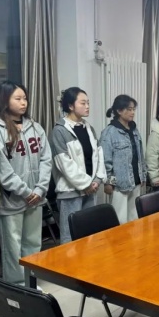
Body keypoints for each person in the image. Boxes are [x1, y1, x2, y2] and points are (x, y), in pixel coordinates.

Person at [0, 81, 52, 285]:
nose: (23, 102)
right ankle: (17, 286)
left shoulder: (35, 127)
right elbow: (2, 168)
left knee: (33, 242)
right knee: (13, 247)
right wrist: (25, 192)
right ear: (4, 100)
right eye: (18, 98)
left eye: (25, 98)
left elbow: (46, 159)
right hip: (12, 200)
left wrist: (40, 189)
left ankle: (31, 283)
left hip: (36, 197)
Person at [50, 87, 106, 244]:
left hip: (91, 189)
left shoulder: (89, 128)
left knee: (89, 233)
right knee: (70, 236)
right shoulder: (60, 131)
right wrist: (87, 183)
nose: (87, 106)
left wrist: (97, 179)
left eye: (88, 103)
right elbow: (64, 163)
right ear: (70, 106)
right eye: (83, 103)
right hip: (70, 191)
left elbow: (98, 155)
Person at [100, 94, 146, 224]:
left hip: (136, 180)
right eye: (129, 109)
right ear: (119, 111)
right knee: (119, 219)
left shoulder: (134, 130)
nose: (132, 112)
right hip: (120, 184)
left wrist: (143, 175)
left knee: (134, 217)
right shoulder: (109, 132)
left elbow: (140, 155)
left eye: (133, 109)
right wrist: (109, 182)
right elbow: (105, 160)